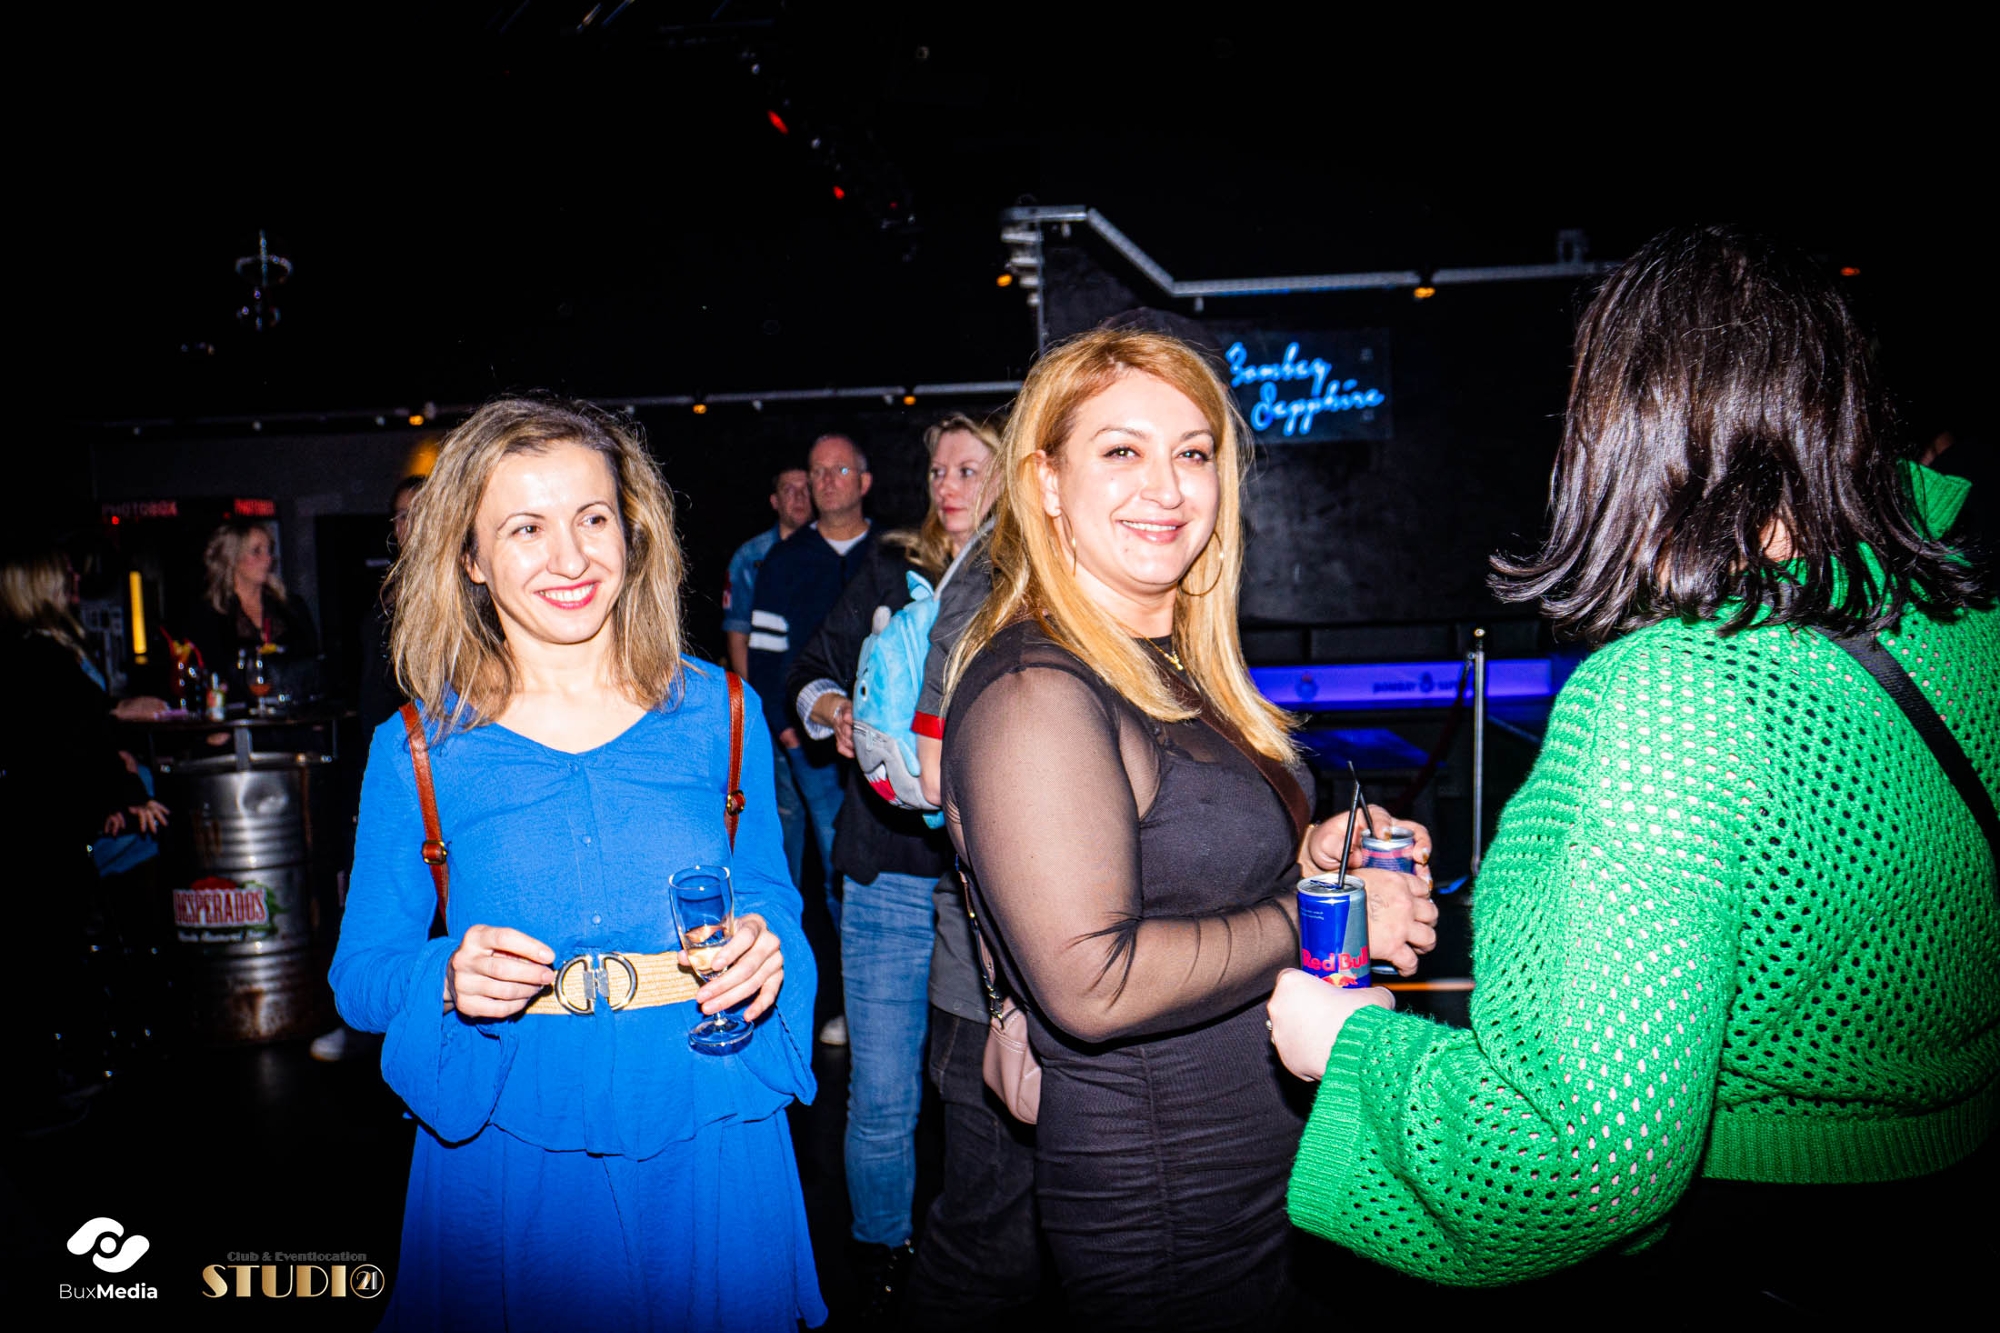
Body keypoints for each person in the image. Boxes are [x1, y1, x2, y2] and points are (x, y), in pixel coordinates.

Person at [1270, 225, 1998, 1312]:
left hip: (1738, 1256)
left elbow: (1577, 1161)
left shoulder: (1669, 691)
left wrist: (1350, 1047)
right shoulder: (1968, 623)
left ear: (1634, 427)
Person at [938, 329, 1439, 1327]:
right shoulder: (1037, 688)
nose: (1165, 487)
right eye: (1121, 450)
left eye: (1193, 451)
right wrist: (1331, 910)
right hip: (1171, 1197)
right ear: (1045, 482)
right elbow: (1093, 981)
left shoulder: (1166, 662)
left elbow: (1174, 858)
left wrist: (1307, 850)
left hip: (1262, 1160)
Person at [328, 397, 824, 1330]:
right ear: (471, 558)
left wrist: (770, 946)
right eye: (526, 528)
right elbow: (360, 976)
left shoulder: (722, 713)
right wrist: (446, 976)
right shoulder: (420, 749)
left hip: (709, 1125)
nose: (571, 558)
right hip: (513, 1141)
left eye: (593, 518)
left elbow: (769, 895)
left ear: (630, 533)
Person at [783, 415, 997, 1317]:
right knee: (879, 1088)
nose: (948, 485)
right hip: (887, 871)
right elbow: (807, 669)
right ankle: (882, 1251)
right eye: (939, 469)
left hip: (988, 883)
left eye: (968, 469)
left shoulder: (1024, 585)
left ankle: (979, 1256)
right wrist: (836, 709)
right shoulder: (888, 569)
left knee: (981, 1087)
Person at [0, 547, 168, 1127]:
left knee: (49, 945)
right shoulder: (42, 653)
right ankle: (49, 1087)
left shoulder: (37, 648)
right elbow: (72, 740)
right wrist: (122, 796)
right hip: (42, 825)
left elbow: (73, 739)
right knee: (48, 947)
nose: (74, 581)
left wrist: (110, 791)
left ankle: (67, 1068)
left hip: (47, 818)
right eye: (64, 575)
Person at [749, 432, 875, 1044]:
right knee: (837, 874)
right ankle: (854, 1007)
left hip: (890, 751)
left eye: (839, 470)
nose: (826, 481)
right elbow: (765, 656)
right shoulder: (784, 560)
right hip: (814, 750)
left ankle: (891, 1005)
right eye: (817, 471)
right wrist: (788, 730)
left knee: (888, 882)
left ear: (865, 483)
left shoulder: (891, 555)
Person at [722, 467, 815, 890]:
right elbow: (737, 632)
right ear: (774, 501)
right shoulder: (752, 556)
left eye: (805, 488)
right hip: (774, 708)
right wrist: (755, 706)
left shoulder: (827, 550)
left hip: (819, 707)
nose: (798, 497)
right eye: (788, 490)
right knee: (782, 816)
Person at [187, 518, 318, 691]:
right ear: (232, 558)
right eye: (256, 551)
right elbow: (207, 673)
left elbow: (313, 663)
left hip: (291, 704)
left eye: (269, 551)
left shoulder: (291, 607)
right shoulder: (211, 614)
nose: (268, 559)